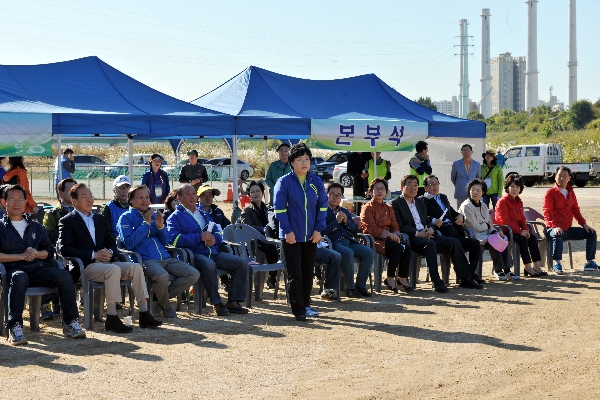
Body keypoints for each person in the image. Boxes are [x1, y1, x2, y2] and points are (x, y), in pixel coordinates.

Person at [58, 183, 162, 333]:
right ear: (74, 201)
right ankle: (112, 317)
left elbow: (111, 242)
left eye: (90, 196)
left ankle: (144, 313)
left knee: (136, 267)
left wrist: (110, 252)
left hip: (105, 262)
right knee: (112, 269)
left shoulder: (99, 219)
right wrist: (93, 254)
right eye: (84, 197)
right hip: (85, 266)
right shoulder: (67, 221)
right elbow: (64, 248)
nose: (89, 200)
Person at [0, 184, 85, 345]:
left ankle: (71, 323)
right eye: (12, 199)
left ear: (26, 202)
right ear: (4, 202)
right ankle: (15, 327)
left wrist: (36, 254)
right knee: (19, 277)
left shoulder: (36, 226)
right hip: (13, 271)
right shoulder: (1, 227)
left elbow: (49, 251)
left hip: (37, 269)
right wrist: (20, 256)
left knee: (64, 275)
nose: (17, 203)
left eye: (20, 199)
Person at [118, 185, 200, 318]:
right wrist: (145, 223)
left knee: (193, 274)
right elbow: (129, 243)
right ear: (131, 201)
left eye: (146, 197)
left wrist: (161, 227)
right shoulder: (126, 218)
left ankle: (155, 299)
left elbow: (165, 241)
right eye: (140, 198)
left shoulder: (154, 214)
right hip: (144, 260)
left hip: (165, 257)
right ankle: (166, 306)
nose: (145, 201)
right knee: (162, 276)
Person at [167, 184, 249, 316]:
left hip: (213, 252)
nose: (192, 196)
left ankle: (233, 301)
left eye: (194, 193)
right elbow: (174, 240)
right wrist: (200, 237)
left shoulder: (203, 213)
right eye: (188, 194)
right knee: (209, 265)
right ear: (179, 197)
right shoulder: (175, 217)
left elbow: (217, 231)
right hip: (194, 255)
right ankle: (217, 304)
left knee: (241, 263)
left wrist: (214, 239)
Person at [392, 175, 483, 291]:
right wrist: (417, 233)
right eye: (409, 184)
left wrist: (430, 229)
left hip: (428, 234)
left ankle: (465, 278)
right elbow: (400, 226)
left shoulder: (419, 202)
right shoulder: (396, 203)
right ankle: (436, 281)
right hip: (412, 238)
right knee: (431, 244)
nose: (413, 187)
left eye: (415, 185)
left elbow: (426, 220)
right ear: (402, 187)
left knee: (454, 242)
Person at [273, 143, 327, 321]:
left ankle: (306, 304)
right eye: (299, 160)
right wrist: (288, 231)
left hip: (311, 235)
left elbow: (323, 207)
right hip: (291, 236)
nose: (304, 163)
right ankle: (298, 309)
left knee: (307, 271)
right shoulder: (284, 182)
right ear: (292, 162)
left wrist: (319, 229)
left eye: (307, 159)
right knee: (294, 273)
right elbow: (279, 209)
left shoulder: (316, 181)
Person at [421, 175, 484, 282]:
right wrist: (433, 220)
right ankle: (466, 277)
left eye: (436, 183)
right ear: (425, 187)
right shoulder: (422, 200)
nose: (435, 186)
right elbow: (421, 217)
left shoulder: (443, 197)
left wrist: (460, 216)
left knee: (475, 244)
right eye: (431, 184)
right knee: (455, 242)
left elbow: (453, 213)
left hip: (454, 231)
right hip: (441, 233)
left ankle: (471, 274)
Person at [360, 178, 412, 293]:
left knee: (406, 248)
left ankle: (402, 277)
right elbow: (370, 228)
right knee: (397, 248)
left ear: (386, 191)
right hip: (374, 240)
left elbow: (394, 224)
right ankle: (390, 278)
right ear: (371, 191)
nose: (379, 191)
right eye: (376, 189)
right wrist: (388, 235)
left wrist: (396, 234)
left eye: (382, 189)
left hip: (389, 239)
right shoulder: (367, 208)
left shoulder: (389, 208)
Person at [323, 182, 375, 298]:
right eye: (332, 194)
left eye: (338, 195)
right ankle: (350, 288)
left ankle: (360, 285)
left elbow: (355, 231)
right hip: (333, 243)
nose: (335, 197)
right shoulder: (322, 211)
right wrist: (336, 222)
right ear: (326, 195)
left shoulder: (344, 211)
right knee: (348, 253)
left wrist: (346, 221)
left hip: (348, 241)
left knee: (368, 252)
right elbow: (322, 231)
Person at [543, 166, 597, 274]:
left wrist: (584, 224)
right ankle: (557, 264)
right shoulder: (550, 193)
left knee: (591, 233)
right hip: (552, 229)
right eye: (559, 175)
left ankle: (589, 263)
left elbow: (576, 211)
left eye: (565, 176)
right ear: (555, 177)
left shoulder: (571, 192)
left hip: (567, 229)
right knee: (558, 234)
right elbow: (547, 212)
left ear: (569, 178)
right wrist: (554, 226)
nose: (562, 178)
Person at [459, 179, 516, 281]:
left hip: (486, 234)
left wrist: (494, 231)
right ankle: (498, 270)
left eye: (478, 190)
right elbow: (474, 226)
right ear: (469, 191)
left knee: (502, 238)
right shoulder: (466, 206)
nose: (475, 192)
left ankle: (507, 269)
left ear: (483, 193)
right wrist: (488, 227)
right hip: (473, 235)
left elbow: (490, 223)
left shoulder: (484, 205)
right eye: (473, 190)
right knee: (493, 241)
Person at [40, 177, 77, 320]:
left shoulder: (83, 213)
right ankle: (48, 304)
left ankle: (67, 303)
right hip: (58, 254)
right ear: (60, 193)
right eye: (70, 191)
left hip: (77, 254)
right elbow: (47, 236)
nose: (74, 194)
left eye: (76, 190)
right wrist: (66, 227)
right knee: (55, 265)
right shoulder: (53, 213)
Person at [495, 173, 546, 277]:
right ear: (507, 187)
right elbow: (505, 222)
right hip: (506, 232)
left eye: (517, 187)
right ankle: (527, 266)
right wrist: (520, 231)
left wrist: (525, 230)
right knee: (522, 238)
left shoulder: (519, 201)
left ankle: (536, 266)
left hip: (517, 231)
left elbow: (522, 219)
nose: (514, 189)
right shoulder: (502, 202)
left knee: (532, 238)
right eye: (512, 186)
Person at [239, 181, 280, 289]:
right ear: (249, 195)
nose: (255, 193)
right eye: (252, 192)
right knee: (272, 247)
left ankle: (273, 276)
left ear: (262, 193)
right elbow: (246, 227)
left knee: (278, 246)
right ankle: (271, 276)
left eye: (258, 191)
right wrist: (262, 229)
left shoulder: (268, 208)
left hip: (269, 237)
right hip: (255, 240)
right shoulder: (246, 210)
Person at [100, 175, 132, 239]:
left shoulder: (134, 206)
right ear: (114, 191)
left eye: (126, 187)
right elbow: (106, 232)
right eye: (120, 187)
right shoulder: (107, 208)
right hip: (116, 243)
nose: (124, 190)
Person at [451, 144, 481, 208]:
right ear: (461, 152)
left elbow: (478, 178)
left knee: (473, 210)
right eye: (464, 150)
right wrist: (460, 185)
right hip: (460, 192)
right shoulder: (456, 164)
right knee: (460, 211)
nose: (466, 152)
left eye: (467, 150)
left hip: (473, 192)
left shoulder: (477, 164)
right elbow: (453, 178)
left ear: (471, 152)